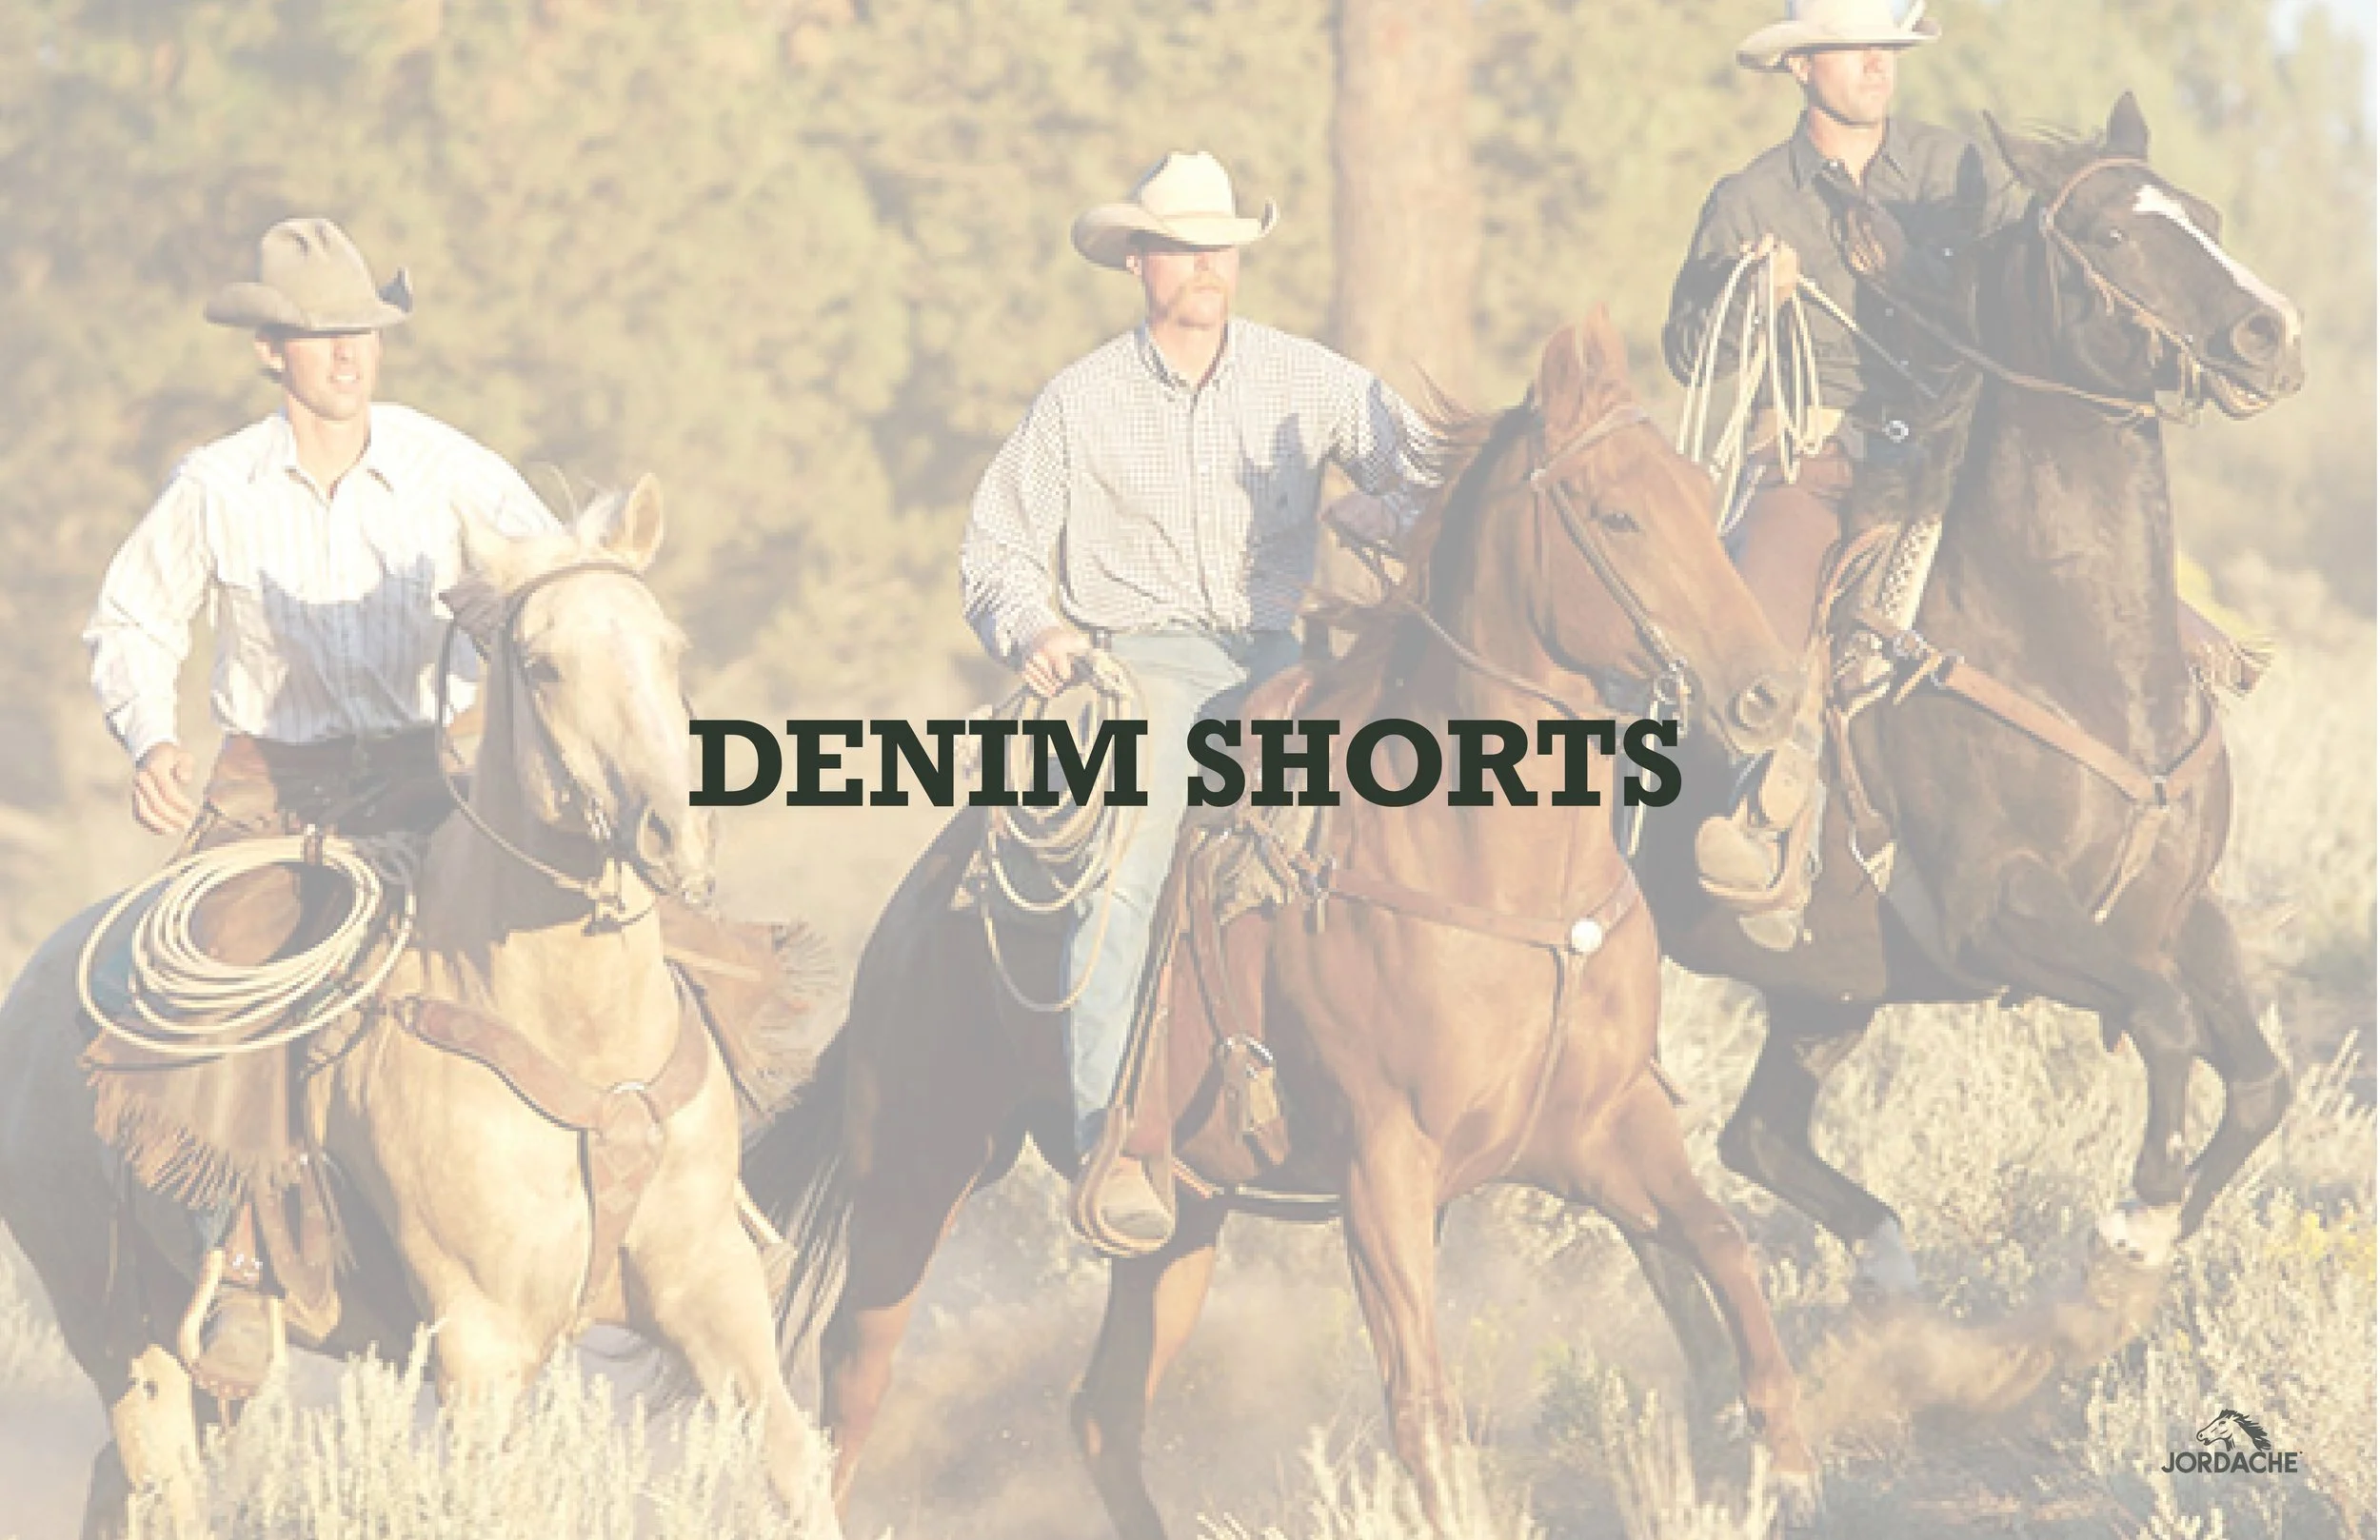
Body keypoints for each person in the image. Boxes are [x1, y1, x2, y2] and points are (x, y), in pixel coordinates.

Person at [82, 216, 561, 1395]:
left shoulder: (452, 469)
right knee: (235, 977)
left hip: (426, 772)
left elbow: (547, 587)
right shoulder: (215, 486)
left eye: (363, 330)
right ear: (269, 351)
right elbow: (134, 618)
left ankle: (671, 1199)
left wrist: (505, 645)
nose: (349, 353)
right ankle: (244, 1259)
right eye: (319, 334)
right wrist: (151, 736)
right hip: (272, 788)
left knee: (579, 914)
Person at [961, 150, 1434, 1249]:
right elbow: (997, 548)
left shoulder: (1307, 379)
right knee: (1126, 870)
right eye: (1181, 247)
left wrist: (1389, 514)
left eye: (1220, 246)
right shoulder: (1079, 401)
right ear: (1138, 260)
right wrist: (1037, 629)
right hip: (1145, 669)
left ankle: (1402, 1095)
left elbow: (1424, 471)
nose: (1207, 265)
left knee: (1395, 836)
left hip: (1281, 661)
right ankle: (1115, 1140)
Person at [1661, 0, 2022, 950]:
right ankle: (1765, 825)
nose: (1876, 63)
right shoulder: (1748, 198)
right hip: (1812, 459)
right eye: (1854, 47)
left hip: (1953, 454)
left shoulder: (1959, 172)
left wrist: (1915, 272)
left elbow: (2022, 299)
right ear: (1800, 66)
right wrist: (1746, 295)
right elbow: (1687, 353)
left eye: (1887, 47)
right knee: (1761, 627)